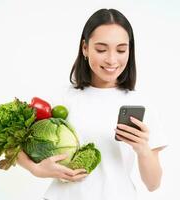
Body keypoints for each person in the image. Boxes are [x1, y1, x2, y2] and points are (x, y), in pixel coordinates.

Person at [17, 8, 168, 200]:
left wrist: (143, 149)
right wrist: (36, 169)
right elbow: (14, 144)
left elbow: (153, 184)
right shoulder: (63, 98)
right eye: (101, 49)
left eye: (121, 49)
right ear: (85, 48)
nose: (112, 59)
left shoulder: (141, 104)